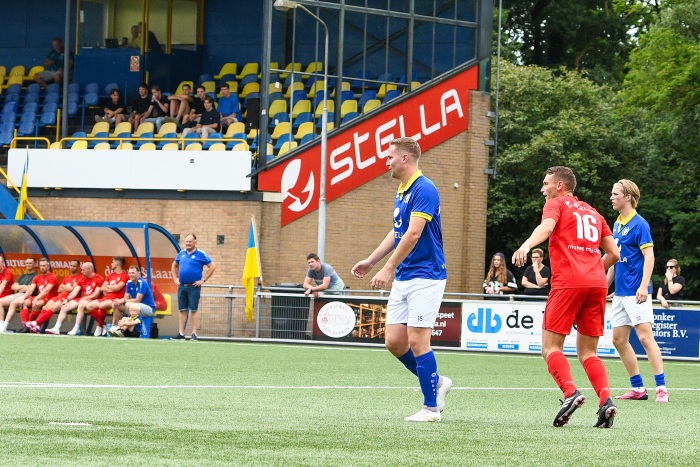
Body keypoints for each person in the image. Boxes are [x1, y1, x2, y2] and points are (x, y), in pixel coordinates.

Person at [351, 137, 452, 422]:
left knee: (418, 340)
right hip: (405, 276)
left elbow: (414, 233)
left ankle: (431, 409)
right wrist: (372, 261)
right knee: (395, 342)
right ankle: (438, 382)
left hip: (426, 275)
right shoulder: (402, 190)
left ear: (405, 158)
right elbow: (398, 231)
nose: (387, 162)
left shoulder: (425, 188)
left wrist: (388, 268)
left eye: (390, 157)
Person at [512, 166, 620, 428]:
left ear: (560, 186)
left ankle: (570, 392)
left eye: (546, 183)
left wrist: (526, 245)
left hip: (568, 282)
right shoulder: (594, 213)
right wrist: (592, 270)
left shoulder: (556, 204)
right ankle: (606, 400)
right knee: (588, 352)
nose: (543, 189)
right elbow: (615, 254)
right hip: (596, 285)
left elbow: (547, 227)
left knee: (550, 348)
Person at [607, 179, 668, 403]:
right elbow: (614, 260)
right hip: (621, 294)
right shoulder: (617, 224)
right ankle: (638, 388)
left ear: (628, 197)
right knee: (618, 340)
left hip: (636, 292)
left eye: (615, 194)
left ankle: (661, 388)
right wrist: (604, 286)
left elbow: (649, 256)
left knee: (645, 337)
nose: (611, 197)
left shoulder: (640, 224)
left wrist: (644, 286)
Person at [171, 234, 216, 340]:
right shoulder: (181, 253)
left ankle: (194, 333)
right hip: (182, 286)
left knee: (194, 310)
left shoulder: (201, 254)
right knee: (182, 310)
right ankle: (181, 333)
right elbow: (174, 265)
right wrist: (175, 278)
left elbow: (212, 266)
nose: (188, 243)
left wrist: (203, 280)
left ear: (195, 242)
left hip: (194, 287)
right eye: (186, 241)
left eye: (190, 241)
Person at [25, 259, 82, 333]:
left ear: (78, 267)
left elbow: (72, 289)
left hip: (68, 298)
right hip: (59, 296)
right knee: (45, 307)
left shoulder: (80, 277)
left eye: (74, 266)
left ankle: (35, 323)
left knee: (52, 308)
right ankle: (37, 326)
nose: (72, 267)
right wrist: (67, 287)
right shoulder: (67, 277)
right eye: (71, 265)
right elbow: (59, 289)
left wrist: (64, 287)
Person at [85, 257, 128, 337]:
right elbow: (102, 288)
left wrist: (109, 287)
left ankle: (99, 326)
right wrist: (112, 288)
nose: (111, 264)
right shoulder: (110, 275)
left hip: (115, 299)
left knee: (102, 305)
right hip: (106, 298)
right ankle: (102, 324)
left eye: (112, 262)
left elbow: (117, 288)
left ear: (117, 263)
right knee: (89, 306)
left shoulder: (124, 276)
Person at [14, 258, 59, 333]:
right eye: (41, 266)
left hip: (49, 298)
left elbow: (46, 291)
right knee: (23, 303)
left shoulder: (52, 277)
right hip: (40, 297)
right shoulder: (37, 277)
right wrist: (23, 298)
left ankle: (32, 325)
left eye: (44, 266)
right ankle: (26, 326)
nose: (42, 267)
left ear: (48, 267)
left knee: (36, 304)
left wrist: (36, 299)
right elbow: (30, 290)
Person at [109, 265, 156, 335]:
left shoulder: (142, 283)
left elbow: (137, 300)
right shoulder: (129, 283)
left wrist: (123, 301)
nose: (131, 275)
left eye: (133, 273)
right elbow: (125, 298)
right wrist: (118, 302)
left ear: (138, 273)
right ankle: (117, 327)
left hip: (148, 308)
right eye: (130, 273)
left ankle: (126, 329)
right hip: (135, 307)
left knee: (129, 305)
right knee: (116, 305)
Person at [63, 262, 104, 336]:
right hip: (84, 299)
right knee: (65, 306)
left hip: (94, 299)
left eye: (84, 270)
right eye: (82, 270)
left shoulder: (99, 278)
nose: (82, 272)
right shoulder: (82, 278)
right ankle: (57, 327)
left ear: (90, 270)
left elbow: (96, 294)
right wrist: (67, 299)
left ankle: (76, 328)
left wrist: (85, 298)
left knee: (81, 305)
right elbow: (75, 291)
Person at [0, 258, 37, 332]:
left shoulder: (36, 276)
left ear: (34, 264)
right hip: (18, 294)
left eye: (30, 263)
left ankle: (4, 326)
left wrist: (20, 287)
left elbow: (29, 289)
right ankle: (1, 324)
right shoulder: (22, 276)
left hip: (28, 295)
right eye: (27, 263)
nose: (28, 265)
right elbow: (13, 287)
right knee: (0, 302)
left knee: (13, 303)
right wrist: (24, 287)